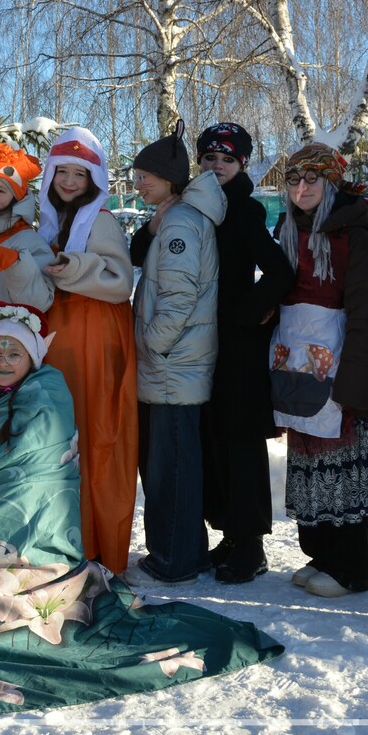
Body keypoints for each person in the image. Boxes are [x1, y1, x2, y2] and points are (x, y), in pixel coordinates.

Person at [0, 303, 284, 713]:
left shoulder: (48, 395)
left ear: (33, 354)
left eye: (15, 353)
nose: (4, 361)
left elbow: (33, 475)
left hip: (33, 532)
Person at [270, 141, 368, 597]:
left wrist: (356, 383)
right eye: (294, 180)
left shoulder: (351, 237)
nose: (302, 188)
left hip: (338, 373)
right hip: (296, 367)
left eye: (312, 179)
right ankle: (321, 555)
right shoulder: (286, 230)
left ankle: (351, 568)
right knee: (308, 462)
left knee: (338, 466)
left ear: (331, 183)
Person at [193, 122, 294, 584]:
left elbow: (278, 271)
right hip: (199, 341)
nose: (217, 167)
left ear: (242, 164)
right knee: (214, 437)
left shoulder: (245, 211)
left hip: (236, 345)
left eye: (227, 160)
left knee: (240, 440)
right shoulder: (194, 206)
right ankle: (230, 534)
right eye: (210, 159)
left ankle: (251, 543)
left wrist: (247, 313)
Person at [37, 127, 139, 576]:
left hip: (94, 338)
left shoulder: (101, 221)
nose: (71, 181)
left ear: (94, 178)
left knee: (95, 434)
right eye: (63, 172)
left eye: (81, 173)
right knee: (55, 437)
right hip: (53, 339)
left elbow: (120, 280)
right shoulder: (40, 218)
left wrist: (72, 267)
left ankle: (97, 541)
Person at [128, 121, 225, 585]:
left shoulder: (182, 223)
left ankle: (177, 558)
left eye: (144, 176)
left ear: (168, 178)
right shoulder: (173, 218)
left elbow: (179, 297)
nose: (137, 183)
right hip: (173, 365)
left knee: (173, 469)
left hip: (172, 365)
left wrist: (151, 345)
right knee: (170, 464)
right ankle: (177, 552)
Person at [0, 141, 55, 309]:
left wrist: (18, 265)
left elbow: (40, 304)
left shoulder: (29, 242)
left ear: (16, 198)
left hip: (3, 334)